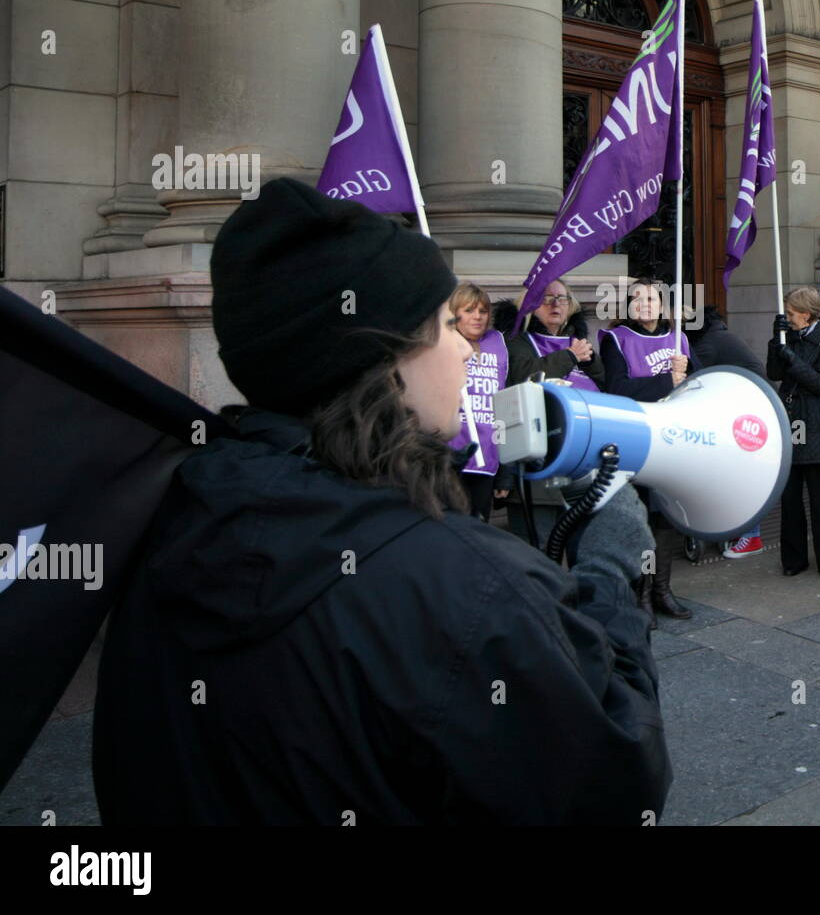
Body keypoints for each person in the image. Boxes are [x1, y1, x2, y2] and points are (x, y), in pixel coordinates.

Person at [92, 179, 670, 824]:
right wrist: (611, 574)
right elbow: (612, 782)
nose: (464, 346)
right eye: (448, 325)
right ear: (386, 359)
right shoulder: (471, 587)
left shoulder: (173, 520)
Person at [600, 277, 696, 626]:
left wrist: (687, 375)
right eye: (636, 298)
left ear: (662, 304)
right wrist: (665, 382)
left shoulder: (679, 339)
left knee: (665, 517)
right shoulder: (616, 340)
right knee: (641, 517)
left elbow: (698, 386)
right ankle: (640, 594)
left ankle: (662, 590)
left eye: (651, 297)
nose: (644, 303)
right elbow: (617, 388)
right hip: (636, 437)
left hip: (672, 439)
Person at [494, 278, 605, 547]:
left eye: (562, 298)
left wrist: (589, 362)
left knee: (585, 545)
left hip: (584, 460)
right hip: (539, 465)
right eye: (546, 298)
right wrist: (569, 356)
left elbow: (603, 386)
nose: (555, 304)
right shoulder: (516, 342)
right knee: (538, 549)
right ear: (530, 305)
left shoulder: (579, 342)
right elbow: (524, 377)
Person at [768, 286, 820, 580]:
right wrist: (777, 341)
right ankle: (793, 559)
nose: (788, 318)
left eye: (791, 313)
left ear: (806, 313)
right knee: (789, 497)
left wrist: (791, 356)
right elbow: (774, 373)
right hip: (789, 418)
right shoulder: (788, 334)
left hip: (814, 422)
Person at [686, 304, 766, 559]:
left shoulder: (709, 342)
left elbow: (692, 377)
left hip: (742, 411)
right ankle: (739, 530)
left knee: (736, 474)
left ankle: (750, 535)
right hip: (749, 408)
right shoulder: (721, 334)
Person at [446, 283, 512, 522]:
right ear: (454, 314)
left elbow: (507, 404)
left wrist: (505, 473)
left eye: (482, 311)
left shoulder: (499, 344)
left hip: (488, 455)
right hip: (450, 456)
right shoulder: (443, 344)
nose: (477, 317)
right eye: (469, 310)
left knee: (479, 528)